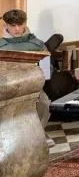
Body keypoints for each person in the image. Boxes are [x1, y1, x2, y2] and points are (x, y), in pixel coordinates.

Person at [0, 9, 55, 148]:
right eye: (12, 25)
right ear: (5, 25)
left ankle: (39, 132)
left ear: (25, 23)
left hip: (33, 85)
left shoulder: (36, 44)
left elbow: (47, 67)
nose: (17, 29)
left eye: (20, 24)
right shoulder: (1, 45)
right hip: (8, 86)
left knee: (44, 103)